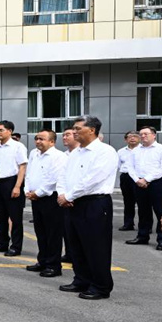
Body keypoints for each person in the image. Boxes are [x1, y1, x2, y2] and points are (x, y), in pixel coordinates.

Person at [57, 115, 119, 300]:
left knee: (96, 246)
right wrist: (62, 194)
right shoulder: (75, 153)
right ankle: (81, 279)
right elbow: (63, 175)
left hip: (94, 203)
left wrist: (68, 195)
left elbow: (92, 179)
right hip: (73, 203)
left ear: (92, 130)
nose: (74, 132)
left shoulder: (105, 152)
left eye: (77, 128)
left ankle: (100, 286)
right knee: (76, 244)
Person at [24, 130, 67, 277]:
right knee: (40, 232)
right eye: (36, 138)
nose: (38, 141)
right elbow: (29, 174)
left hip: (50, 198)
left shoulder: (58, 157)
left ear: (52, 142)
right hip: (35, 198)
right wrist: (27, 190)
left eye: (42, 139)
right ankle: (42, 261)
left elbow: (53, 179)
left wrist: (38, 193)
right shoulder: (33, 154)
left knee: (53, 233)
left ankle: (53, 265)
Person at [0, 120, 28, 257]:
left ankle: (16, 247)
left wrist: (17, 186)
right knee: (1, 216)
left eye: (1, 130)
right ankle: (3, 243)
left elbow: (22, 167)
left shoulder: (18, 147)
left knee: (15, 217)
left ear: (9, 131)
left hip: (11, 183)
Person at [126, 126, 162, 250]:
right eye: (141, 134)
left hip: (157, 183)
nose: (143, 136)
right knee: (143, 211)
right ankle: (142, 236)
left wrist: (147, 179)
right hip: (139, 183)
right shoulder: (135, 150)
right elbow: (130, 167)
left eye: (146, 134)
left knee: (161, 211)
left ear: (154, 135)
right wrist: (137, 180)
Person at [117, 131, 140, 231]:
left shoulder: (143, 150)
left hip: (139, 178)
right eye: (130, 137)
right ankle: (128, 223)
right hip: (126, 177)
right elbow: (117, 165)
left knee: (142, 202)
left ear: (139, 138)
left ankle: (145, 225)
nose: (132, 138)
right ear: (125, 139)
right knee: (128, 202)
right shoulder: (121, 151)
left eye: (135, 136)